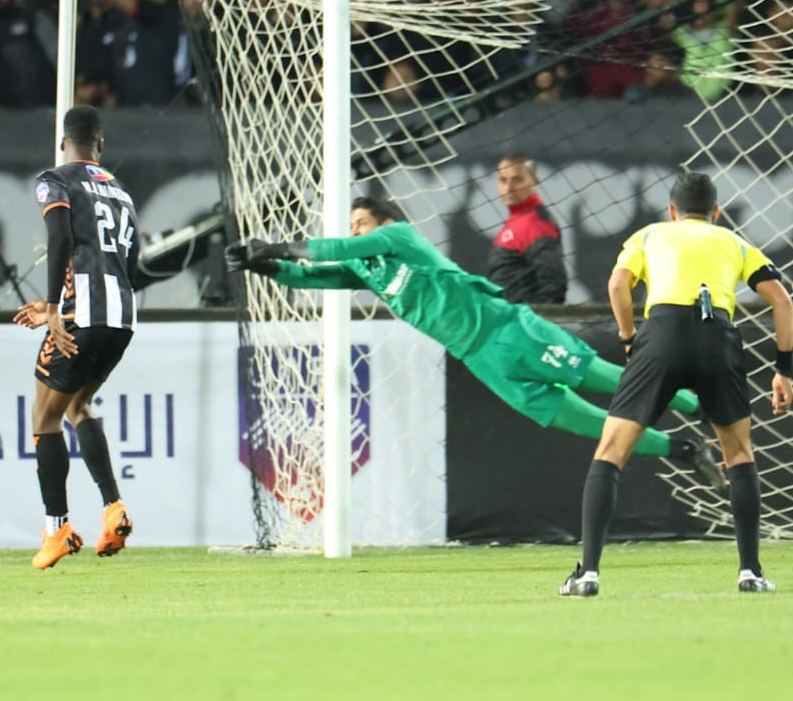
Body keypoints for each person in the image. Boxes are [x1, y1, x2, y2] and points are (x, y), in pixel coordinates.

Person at [226, 195, 725, 490]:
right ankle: (682, 450)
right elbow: (321, 275)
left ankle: (695, 402)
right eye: (352, 225)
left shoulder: (400, 238)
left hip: (508, 329)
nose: (355, 232)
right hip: (481, 358)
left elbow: (339, 249)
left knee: (606, 381)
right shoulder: (369, 270)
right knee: (581, 421)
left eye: (361, 223)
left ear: (383, 222)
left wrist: (280, 242)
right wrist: (269, 266)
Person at [558, 172, 792, 597]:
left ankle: (588, 574)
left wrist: (630, 338)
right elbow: (782, 299)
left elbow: (617, 284)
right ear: (716, 213)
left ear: (671, 211)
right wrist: (785, 369)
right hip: (717, 337)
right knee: (738, 454)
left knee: (611, 451)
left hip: (660, 334)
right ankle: (750, 573)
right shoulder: (733, 242)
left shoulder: (649, 234)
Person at [11, 105, 138, 570]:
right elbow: (134, 264)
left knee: (44, 418)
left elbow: (60, 236)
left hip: (79, 314)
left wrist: (50, 306)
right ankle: (113, 507)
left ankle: (56, 529)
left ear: (64, 142)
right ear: (100, 145)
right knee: (78, 406)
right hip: (121, 318)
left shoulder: (54, 179)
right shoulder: (121, 191)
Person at [487, 155, 567, 304]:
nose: (509, 188)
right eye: (503, 180)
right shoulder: (518, 221)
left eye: (517, 180)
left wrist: (534, 324)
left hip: (521, 322)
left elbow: (554, 286)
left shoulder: (536, 225)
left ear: (535, 180)